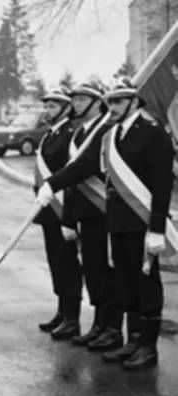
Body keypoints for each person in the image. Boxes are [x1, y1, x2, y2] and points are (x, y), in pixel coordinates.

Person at [37, 77, 174, 370]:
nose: (113, 107)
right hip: (118, 222)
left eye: (119, 101)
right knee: (126, 281)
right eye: (110, 101)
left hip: (143, 221)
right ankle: (133, 340)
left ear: (135, 102)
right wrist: (53, 183)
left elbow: (162, 184)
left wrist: (158, 227)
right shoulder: (111, 136)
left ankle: (148, 347)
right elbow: (85, 167)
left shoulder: (152, 133)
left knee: (146, 284)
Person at [49, 82, 126, 349]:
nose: (77, 104)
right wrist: (68, 218)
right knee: (92, 270)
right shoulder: (79, 133)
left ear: (97, 103)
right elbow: (73, 181)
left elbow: (83, 168)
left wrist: (52, 183)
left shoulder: (104, 130)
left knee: (107, 271)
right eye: (76, 100)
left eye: (83, 99)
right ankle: (98, 324)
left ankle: (112, 327)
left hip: (103, 211)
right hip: (85, 213)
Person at [32, 87, 83, 340]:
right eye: (47, 106)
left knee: (68, 263)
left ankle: (72, 317)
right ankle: (62, 312)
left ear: (66, 108)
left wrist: (70, 216)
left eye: (53, 106)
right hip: (49, 210)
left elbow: (72, 176)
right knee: (56, 262)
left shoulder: (71, 135)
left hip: (63, 208)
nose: (48, 110)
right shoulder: (49, 135)